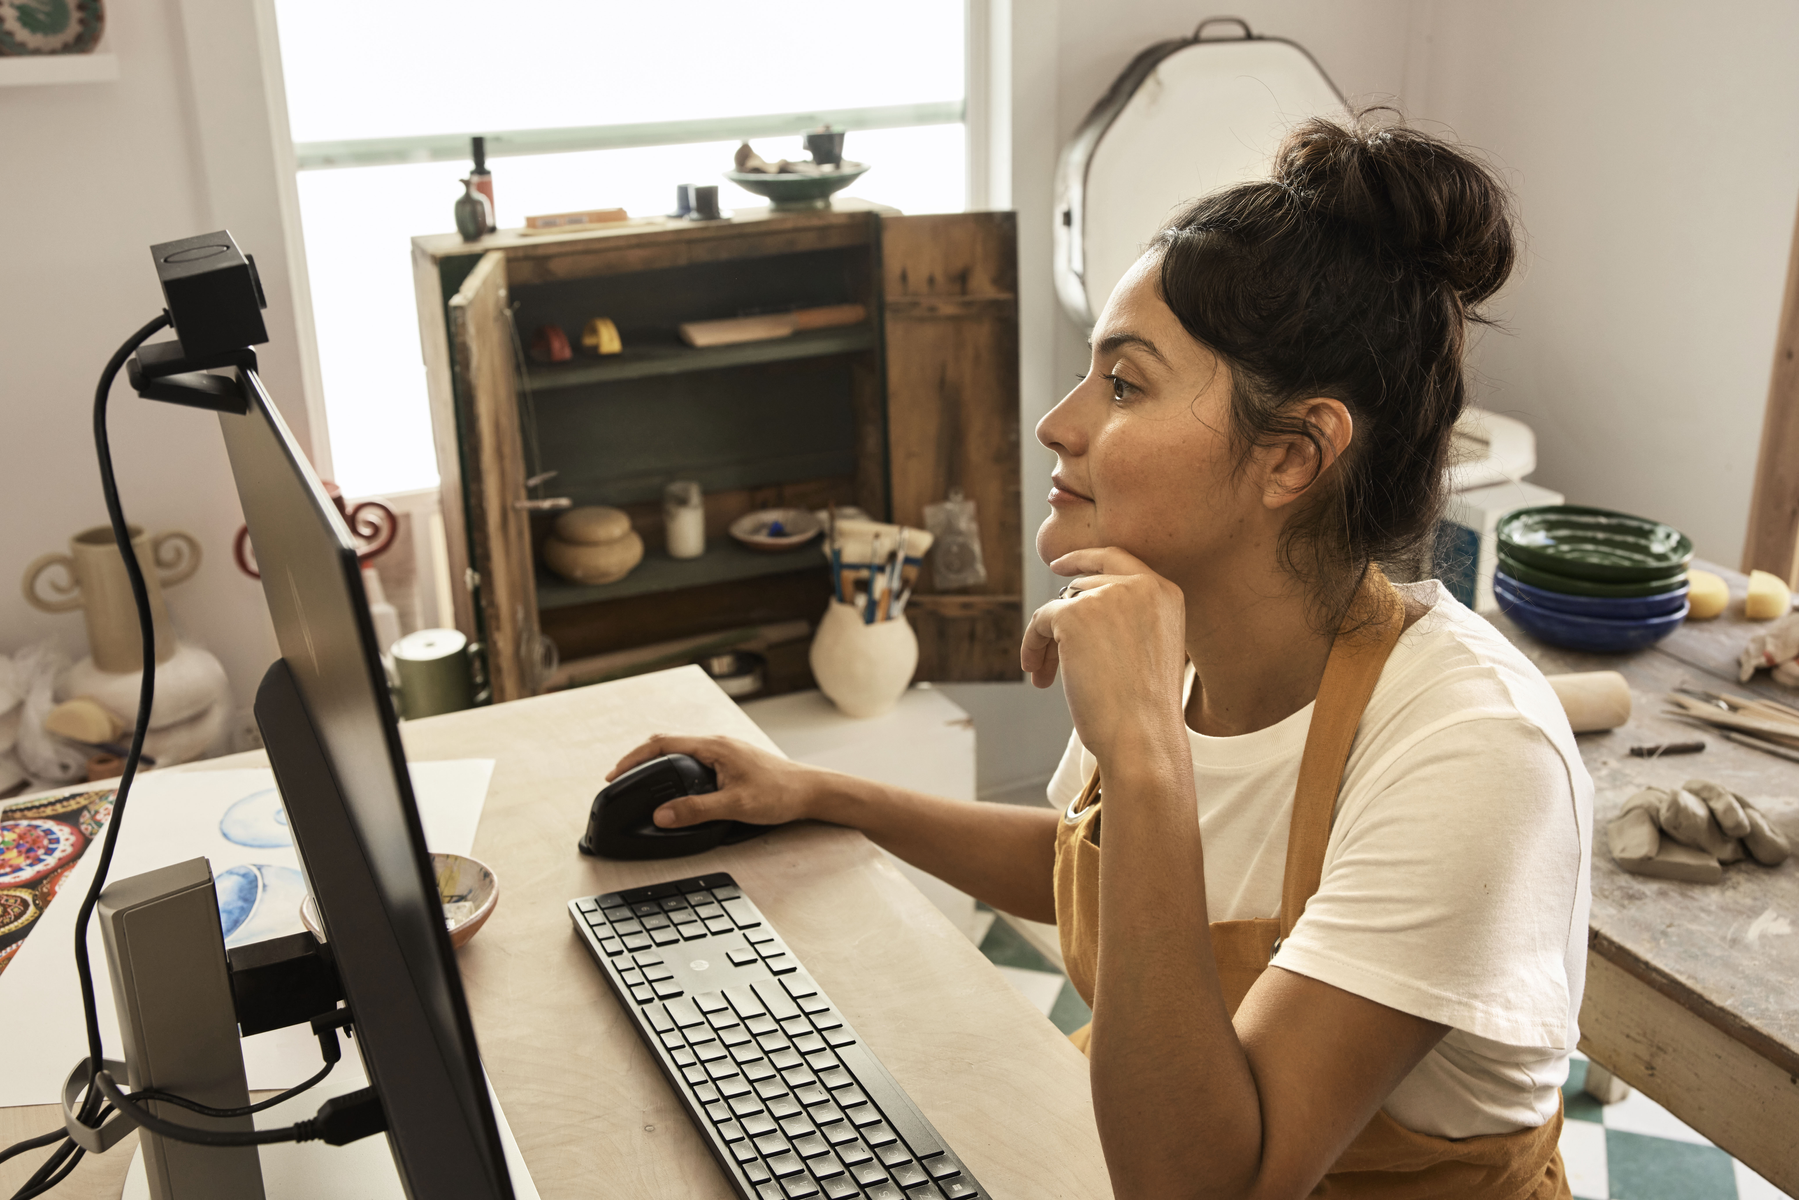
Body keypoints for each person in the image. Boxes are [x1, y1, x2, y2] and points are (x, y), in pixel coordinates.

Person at [610, 112, 1591, 1200]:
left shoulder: (1470, 750)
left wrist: (1140, 754)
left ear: (1288, 455)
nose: (1055, 424)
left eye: (1121, 385)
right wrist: (822, 795)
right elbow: (1082, 872)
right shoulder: (1175, 642)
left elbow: (1207, 1187)